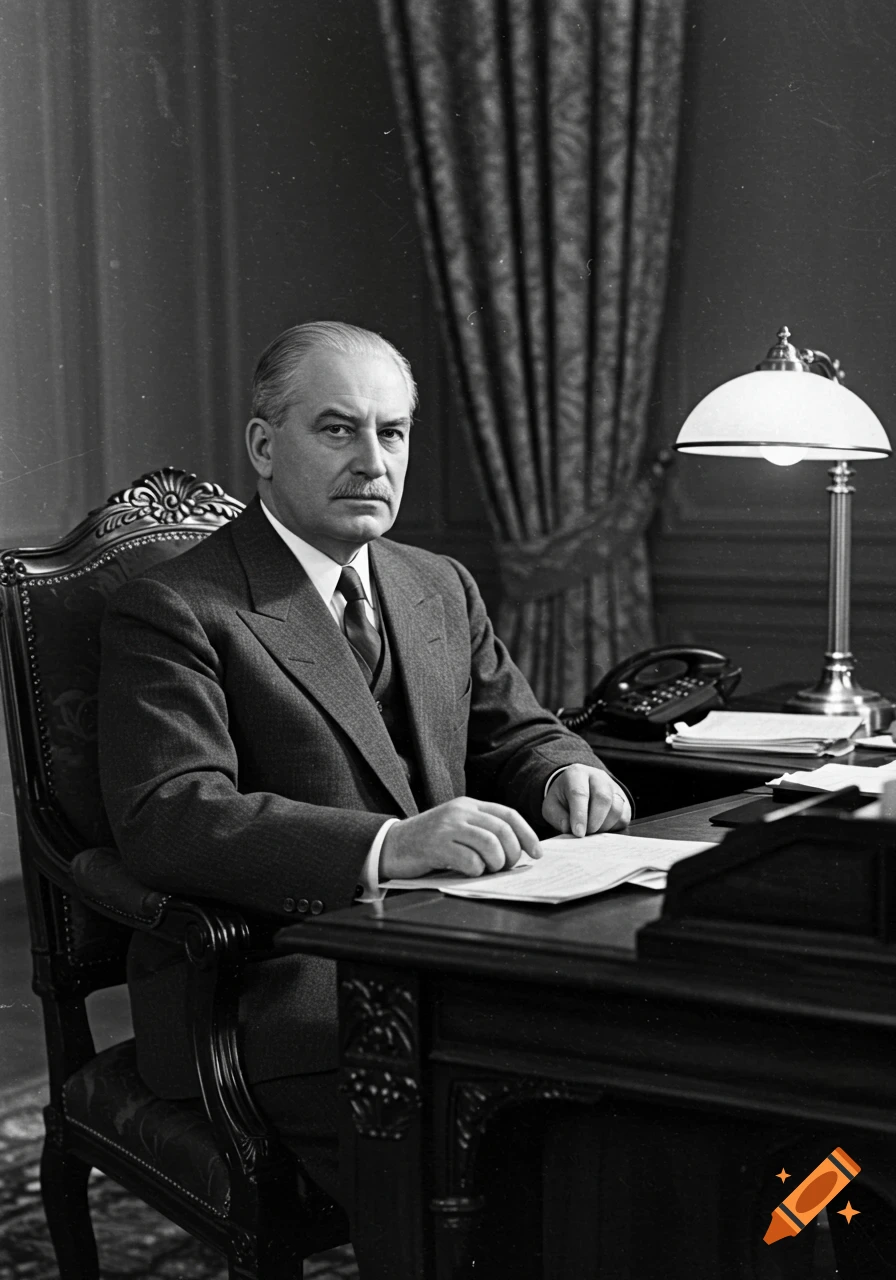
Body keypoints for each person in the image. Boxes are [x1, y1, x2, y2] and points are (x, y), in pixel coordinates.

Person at [97, 320, 632, 1219]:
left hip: (451, 954)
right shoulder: (176, 607)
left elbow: (521, 733)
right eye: (337, 429)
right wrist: (391, 843)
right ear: (265, 446)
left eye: (392, 433)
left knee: (611, 1094)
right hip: (274, 986)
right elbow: (172, 814)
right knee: (496, 1152)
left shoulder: (438, 585)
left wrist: (562, 773)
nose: (373, 460)